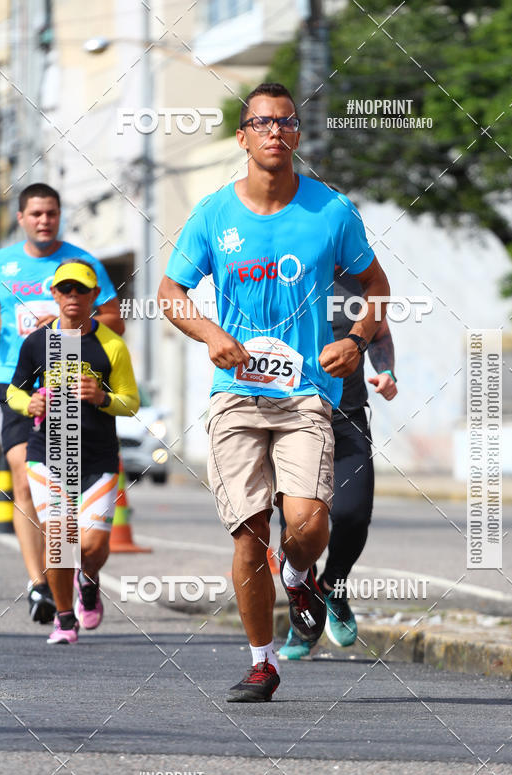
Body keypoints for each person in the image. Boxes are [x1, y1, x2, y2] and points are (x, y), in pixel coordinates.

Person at [157, 82, 390, 702]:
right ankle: (263, 662)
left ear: (297, 134)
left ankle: (297, 572)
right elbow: (169, 293)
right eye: (262, 123)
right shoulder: (212, 214)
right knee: (248, 534)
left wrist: (359, 341)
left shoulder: (331, 211)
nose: (275, 132)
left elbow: (377, 285)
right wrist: (208, 332)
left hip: (307, 393)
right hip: (235, 395)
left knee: (310, 523)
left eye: (285, 122)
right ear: (243, 137)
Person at [0, 183, 123, 624]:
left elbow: (115, 317)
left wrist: (67, 321)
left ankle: (79, 571)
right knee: (23, 477)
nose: (44, 220)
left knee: (68, 492)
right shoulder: (1, 264)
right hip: (16, 381)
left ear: (60, 216)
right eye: (36, 213)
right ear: (21, 218)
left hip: (71, 382)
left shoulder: (82, 263)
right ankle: (39, 584)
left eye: (52, 213)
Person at [6, 259, 139, 644]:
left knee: (93, 547)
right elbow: (15, 389)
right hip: (48, 453)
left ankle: (89, 579)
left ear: (96, 296)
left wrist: (102, 397)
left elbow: (131, 401)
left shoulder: (111, 344)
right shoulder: (38, 342)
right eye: (65, 289)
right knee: (60, 537)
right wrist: (27, 404)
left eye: (81, 289)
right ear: (54, 294)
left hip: (97, 457)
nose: (73, 297)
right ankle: (64, 618)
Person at [279, 267, 398, 659]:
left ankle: (334, 588)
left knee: (352, 515)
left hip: (348, 418)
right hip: (292, 419)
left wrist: (385, 372)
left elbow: (378, 334)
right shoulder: (281, 274)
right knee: (298, 529)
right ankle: (303, 620)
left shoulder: (359, 283)